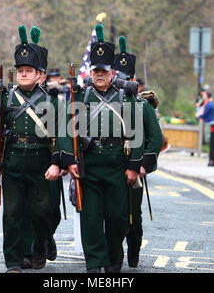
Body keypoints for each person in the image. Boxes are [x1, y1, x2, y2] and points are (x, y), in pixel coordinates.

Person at [60, 24, 144, 273]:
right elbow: (67, 131)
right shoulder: (80, 97)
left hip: (118, 166)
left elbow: (136, 133)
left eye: (104, 71)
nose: (99, 74)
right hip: (90, 166)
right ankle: (95, 262)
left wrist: (133, 166)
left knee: (118, 219)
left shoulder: (125, 97)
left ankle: (113, 256)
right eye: (95, 70)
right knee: (91, 218)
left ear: (112, 72)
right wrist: (69, 161)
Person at [0, 25, 64, 273]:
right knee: (12, 215)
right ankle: (13, 262)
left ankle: (43, 242)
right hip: (13, 163)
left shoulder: (51, 101)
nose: (24, 74)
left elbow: (62, 134)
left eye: (29, 70)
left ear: (40, 75)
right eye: (21, 70)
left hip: (42, 164)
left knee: (42, 213)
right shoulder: (6, 97)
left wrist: (57, 162)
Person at [113, 36, 163, 269]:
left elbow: (155, 139)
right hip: (110, 166)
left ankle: (133, 250)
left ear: (134, 81)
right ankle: (112, 255)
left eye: (127, 78)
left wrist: (143, 165)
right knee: (112, 215)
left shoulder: (143, 107)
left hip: (135, 166)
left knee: (133, 218)